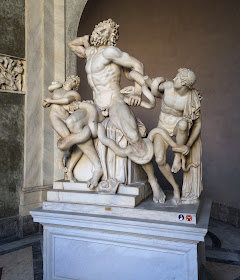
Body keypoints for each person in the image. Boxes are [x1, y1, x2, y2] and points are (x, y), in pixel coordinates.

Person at [68, 19, 165, 202]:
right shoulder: (90, 53)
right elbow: (71, 45)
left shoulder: (111, 52)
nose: (98, 31)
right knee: (73, 122)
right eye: (97, 28)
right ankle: (97, 167)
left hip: (114, 101)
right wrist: (85, 38)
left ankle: (153, 182)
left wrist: (137, 91)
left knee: (134, 136)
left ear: (111, 35)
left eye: (103, 29)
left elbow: (137, 65)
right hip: (96, 106)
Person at [149, 68, 202, 204]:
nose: (174, 79)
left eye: (178, 78)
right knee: (160, 159)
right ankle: (175, 187)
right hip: (162, 128)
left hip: (179, 130)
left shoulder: (192, 98)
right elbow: (152, 85)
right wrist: (141, 82)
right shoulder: (167, 86)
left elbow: (197, 125)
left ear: (185, 84)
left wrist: (188, 146)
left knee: (184, 123)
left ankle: (178, 157)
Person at [43, 75, 103, 187]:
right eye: (70, 78)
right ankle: (60, 160)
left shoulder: (74, 94)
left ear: (75, 87)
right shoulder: (58, 90)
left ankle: (68, 168)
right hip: (55, 117)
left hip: (66, 118)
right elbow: (51, 91)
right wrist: (47, 102)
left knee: (70, 138)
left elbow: (67, 101)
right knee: (68, 138)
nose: (70, 81)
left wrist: (51, 100)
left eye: (74, 81)